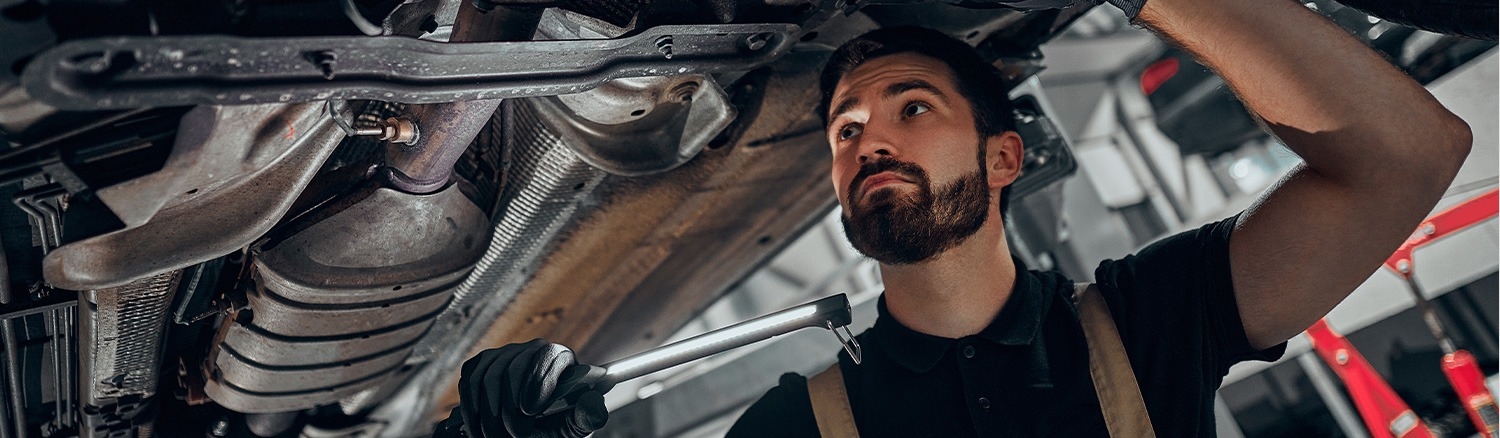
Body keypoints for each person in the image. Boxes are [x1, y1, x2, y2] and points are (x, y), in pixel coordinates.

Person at [434, 0, 1474, 434]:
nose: (868, 140)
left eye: (912, 109)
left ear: (1005, 155)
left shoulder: (1156, 321)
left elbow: (1408, 156)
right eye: (846, 128)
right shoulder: (797, 427)